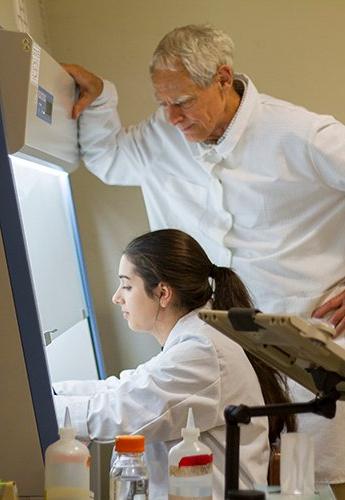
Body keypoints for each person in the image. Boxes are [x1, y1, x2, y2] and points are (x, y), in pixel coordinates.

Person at [63, 24, 345, 490]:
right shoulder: (164, 134)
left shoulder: (301, 134)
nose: (171, 118)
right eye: (162, 103)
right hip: (229, 351)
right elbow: (109, 159)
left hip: (309, 344)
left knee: (318, 476)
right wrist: (99, 98)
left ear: (222, 78)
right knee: (247, 470)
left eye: (183, 102)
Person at [53, 228, 295, 500]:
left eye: (127, 285)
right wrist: (49, 392)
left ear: (163, 293)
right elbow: (125, 387)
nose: (117, 297)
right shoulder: (193, 340)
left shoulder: (201, 350)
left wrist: (37, 406)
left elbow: (119, 413)